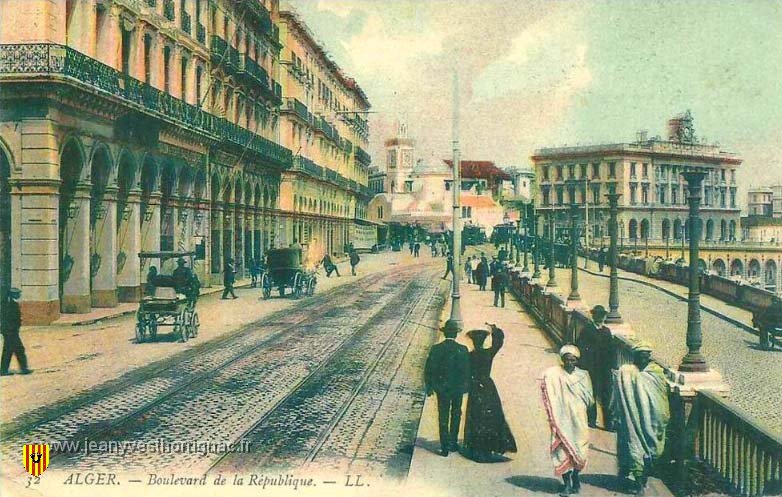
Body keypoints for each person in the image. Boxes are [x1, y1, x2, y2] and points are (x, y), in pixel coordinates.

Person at [612, 343, 670, 496]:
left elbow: (661, 396)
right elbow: (618, 395)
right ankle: (639, 486)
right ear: (635, 357)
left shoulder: (656, 373)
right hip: (632, 419)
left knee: (654, 451)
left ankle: (643, 479)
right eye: (640, 357)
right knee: (635, 449)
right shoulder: (626, 373)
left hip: (652, 421)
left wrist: (661, 416)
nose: (643, 360)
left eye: (646, 357)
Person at [541, 345, 594, 496]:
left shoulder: (583, 376)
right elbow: (548, 388)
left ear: (577, 360)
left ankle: (575, 477)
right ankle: (567, 485)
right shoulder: (554, 375)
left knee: (580, 449)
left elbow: (589, 398)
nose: (569, 363)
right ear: (562, 360)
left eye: (573, 360)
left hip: (579, 418)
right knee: (562, 451)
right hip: (561, 419)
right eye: (567, 360)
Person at [463, 325, 517, 462]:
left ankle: (476, 448)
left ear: (474, 342)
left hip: (475, 387)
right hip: (488, 386)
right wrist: (495, 330)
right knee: (492, 415)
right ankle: (490, 446)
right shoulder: (488, 353)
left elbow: (465, 373)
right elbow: (498, 343)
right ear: (482, 342)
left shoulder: (470, 355)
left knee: (476, 417)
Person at [424, 319, 471, 457]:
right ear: (456, 334)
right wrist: (466, 386)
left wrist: (429, 386)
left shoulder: (436, 349)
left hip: (442, 388)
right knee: (456, 413)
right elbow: (467, 371)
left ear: (445, 334)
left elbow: (429, 369)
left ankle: (444, 447)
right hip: (457, 389)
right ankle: (453, 442)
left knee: (443, 415)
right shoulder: (463, 349)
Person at [576, 305, 615, 428]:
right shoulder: (587, 330)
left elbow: (611, 350)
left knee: (606, 395)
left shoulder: (607, 331)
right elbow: (581, 348)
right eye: (598, 315)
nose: (600, 317)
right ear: (594, 316)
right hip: (591, 368)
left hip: (604, 369)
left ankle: (608, 423)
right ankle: (591, 420)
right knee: (591, 394)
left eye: (602, 315)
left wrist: (612, 366)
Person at [1, 288, 31, 375]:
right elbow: (10, 319)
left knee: (10, 350)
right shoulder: (9, 305)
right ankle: (22, 369)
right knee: (17, 349)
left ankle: (5, 369)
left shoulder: (7, 303)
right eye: (17, 294)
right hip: (11, 331)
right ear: (13, 295)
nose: (19, 295)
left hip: (10, 331)